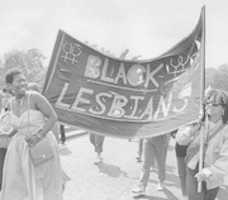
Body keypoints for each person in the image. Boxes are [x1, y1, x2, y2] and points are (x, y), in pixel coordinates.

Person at [1, 69, 65, 200]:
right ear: (9, 85)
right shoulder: (10, 103)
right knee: (21, 184)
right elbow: (18, 126)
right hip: (20, 149)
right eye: (19, 81)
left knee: (47, 183)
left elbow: (53, 117)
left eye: (24, 80)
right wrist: (7, 134)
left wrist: (38, 136)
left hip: (41, 144)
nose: (23, 83)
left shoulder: (35, 97)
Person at [185, 88, 228, 200]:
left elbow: (226, 159)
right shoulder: (200, 121)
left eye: (214, 104)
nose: (209, 106)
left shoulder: (226, 129)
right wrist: (191, 129)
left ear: (223, 108)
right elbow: (181, 140)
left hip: (213, 175)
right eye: (207, 103)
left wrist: (209, 171)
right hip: (193, 168)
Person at [175, 122, 200, 199]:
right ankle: (185, 195)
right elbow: (180, 140)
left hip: (195, 152)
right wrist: (191, 129)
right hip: (181, 150)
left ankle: (191, 196)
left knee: (193, 176)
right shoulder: (185, 120)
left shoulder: (202, 120)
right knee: (182, 174)